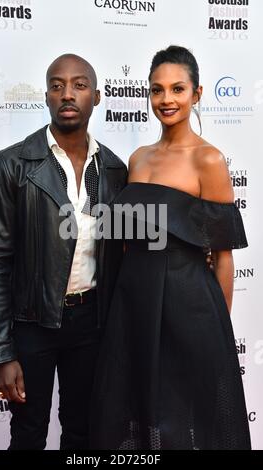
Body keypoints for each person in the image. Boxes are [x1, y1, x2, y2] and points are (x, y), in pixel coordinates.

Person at [90, 45, 251, 450]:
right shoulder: (138, 158)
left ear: (196, 94)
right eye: (157, 90)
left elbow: (224, 258)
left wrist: (215, 333)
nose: (167, 100)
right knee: (137, 412)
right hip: (134, 303)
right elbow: (127, 240)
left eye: (178, 89)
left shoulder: (208, 160)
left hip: (189, 307)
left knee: (184, 418)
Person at [0, 53, 127, 450]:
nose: (67, 94)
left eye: (79, 85)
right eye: (57, 85)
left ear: (96, 97)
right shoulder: (11, 164)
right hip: (31, 325)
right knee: (28, 435)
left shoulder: (114, 170)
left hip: (92, 326)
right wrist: (2, 353)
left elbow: (127, 252)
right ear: (46, 96)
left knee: (84, 434)